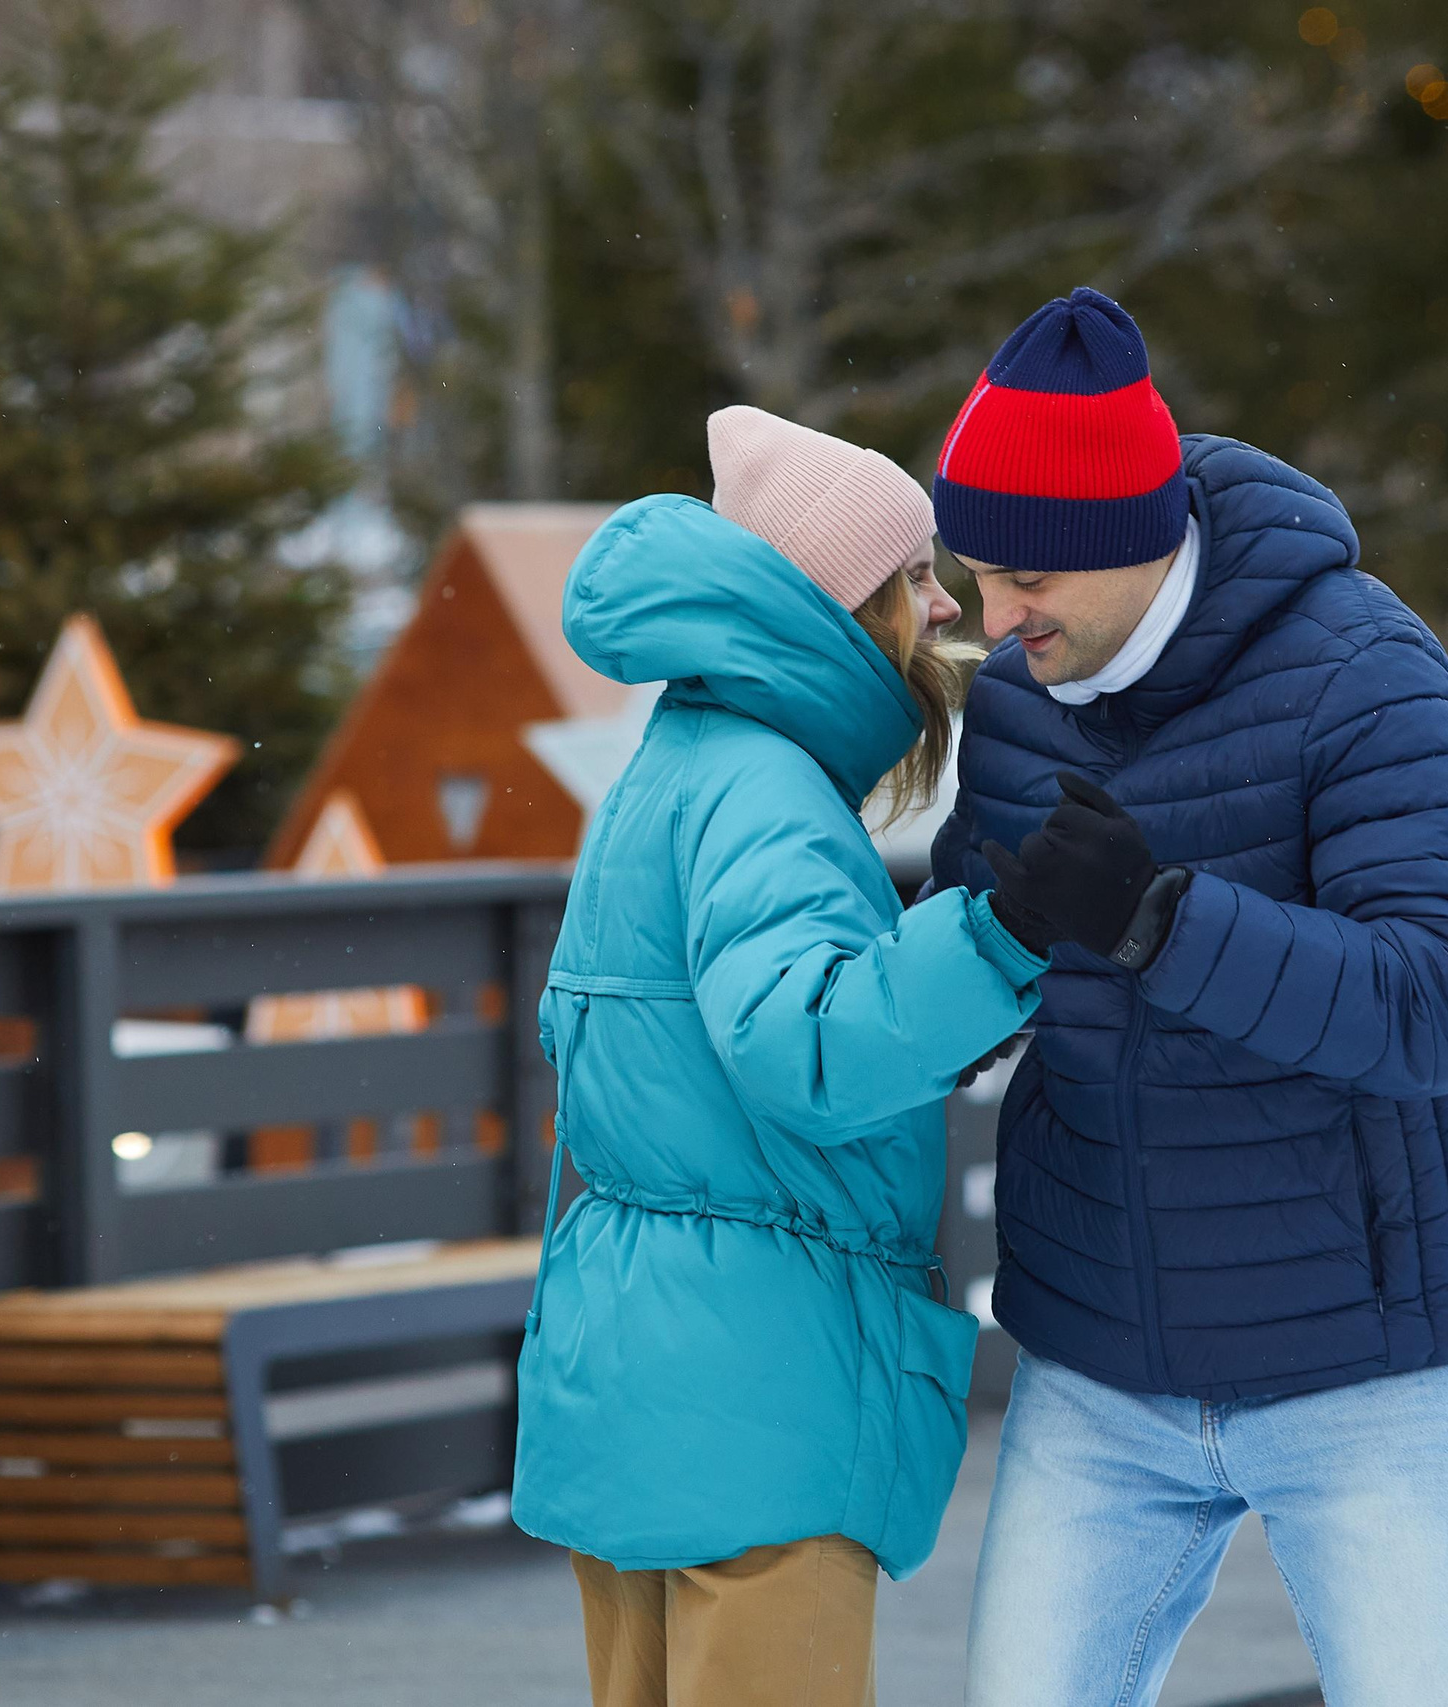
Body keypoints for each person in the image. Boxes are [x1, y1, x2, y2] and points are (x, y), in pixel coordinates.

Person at [926, 288, 1448, 1706]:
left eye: (1027, 578)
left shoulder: (1364, 673)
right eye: (977, 574)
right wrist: (944, 972)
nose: (996, 620)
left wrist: (1164, 923)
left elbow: (1444, 1001)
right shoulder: (1013, 701)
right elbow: (972, 982)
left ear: (1129, 536)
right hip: (1098, 1366)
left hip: (1363, 1365)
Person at [513, 405, 1053, 1707]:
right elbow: (807, 1045)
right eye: (913, 577)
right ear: (837, 608)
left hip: (645, 1356)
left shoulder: (684, 758)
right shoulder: (765, 788)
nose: (945, 607)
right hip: (759, 1382)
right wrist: (1005, 937)